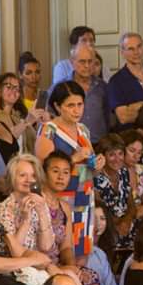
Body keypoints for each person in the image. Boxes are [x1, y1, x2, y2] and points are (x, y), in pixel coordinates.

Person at [34, 80, 98, 260]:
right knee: (61, 251)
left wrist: (97, 165)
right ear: (57, 106)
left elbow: (89, 168)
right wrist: (73, 159)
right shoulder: (49, 130)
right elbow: (44, 169)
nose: (77, 110)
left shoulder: (83, 130)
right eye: (70, 105)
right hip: (62, 197)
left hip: (85, 195)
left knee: (83, 249)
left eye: (80, 104)